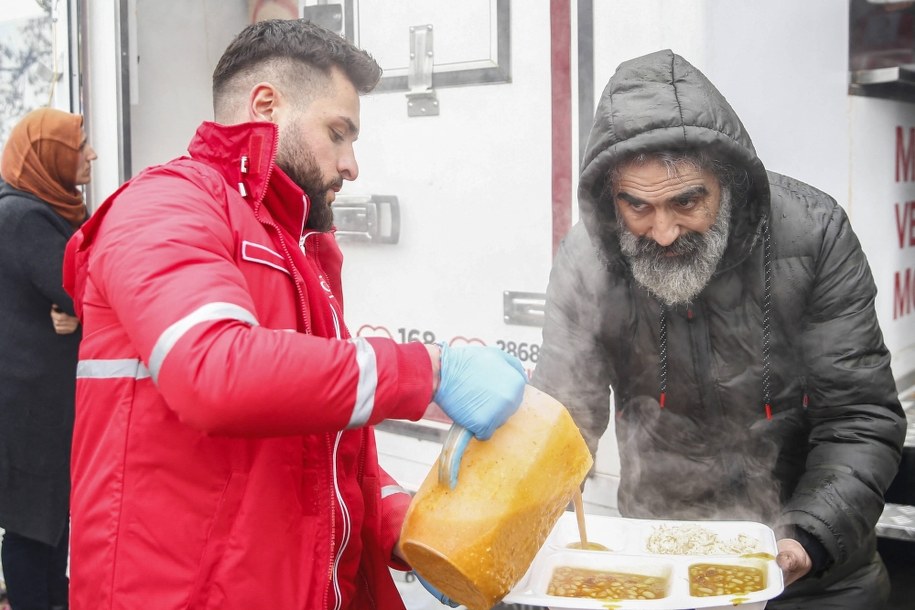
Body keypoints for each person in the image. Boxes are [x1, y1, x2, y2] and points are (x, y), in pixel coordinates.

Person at [61, 18, 526, 610]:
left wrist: (406, 527)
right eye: (339, 133)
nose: (352, 164)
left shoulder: (299, 248)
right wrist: (430, 371)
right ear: (265, 105)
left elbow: (322, 446)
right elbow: (214, 373)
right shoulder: (164, 204)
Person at [531, 49, 907, 609]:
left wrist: (808, 534)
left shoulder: (814, 232)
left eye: (687, 202)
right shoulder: (589, 259)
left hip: (820, 567)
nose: (662, 232)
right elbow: (561, 420)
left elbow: (860, 416)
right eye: (637, 206)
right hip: (662, 556)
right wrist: (524, 528)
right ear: (611, 198)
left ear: (727, 181)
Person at [0, 107, 96, 610]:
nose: (92, 155)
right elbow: (84, 289)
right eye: (80, 149)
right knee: (33, 526)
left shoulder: (38, 207)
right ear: (50, 158)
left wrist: (76, 313)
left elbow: (77, 297)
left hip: (37, 401)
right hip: (30, 408)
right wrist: (78, 310)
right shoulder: (22, 217)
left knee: (46, 521)